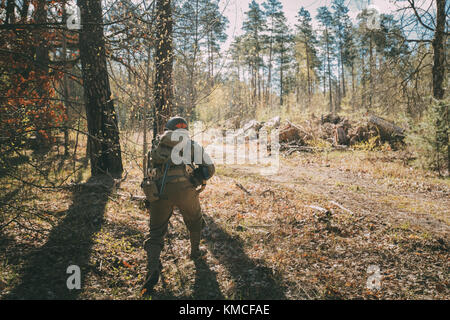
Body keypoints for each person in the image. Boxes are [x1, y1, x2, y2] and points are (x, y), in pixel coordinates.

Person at [141, 116, 215, 294]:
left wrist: (149, 197)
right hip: (186, 190)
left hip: (160, 192)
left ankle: (152, 270)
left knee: (156, 232)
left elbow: (148, 172)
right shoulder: (191, 144)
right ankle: (195, 252)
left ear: (168, 129)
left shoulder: (157, 144)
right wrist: (196, 179)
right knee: (195, 220)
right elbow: (210, 168)